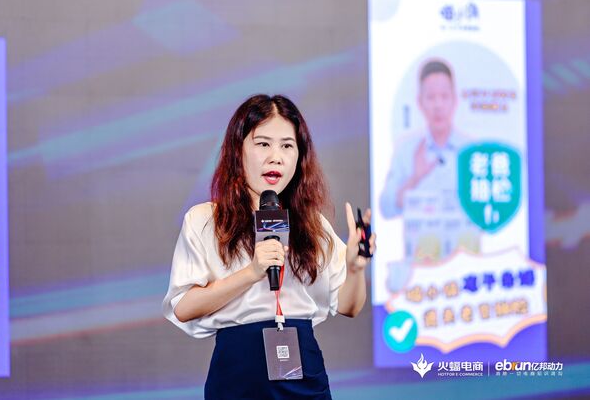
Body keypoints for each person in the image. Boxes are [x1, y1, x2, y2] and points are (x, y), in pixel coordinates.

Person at [162, 94, 376, 399]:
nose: (276, 157)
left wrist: (355, 269)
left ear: (300, 156)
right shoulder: (205, 220)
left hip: (302, 370)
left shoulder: (313, 224)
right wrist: (252, 272)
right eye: (263, 144)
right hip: (237, 370)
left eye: (287, 146)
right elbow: (183, 308)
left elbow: (349, 307)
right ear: (238, 150)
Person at [379, 58, 469, 220]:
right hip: (419, 236)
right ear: (420, 102)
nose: (438, 105)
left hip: (465, 237)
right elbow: (385, 207)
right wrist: (415, 178)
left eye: (444, 96)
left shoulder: (470, 150)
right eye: (431, 97)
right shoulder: (406, 150)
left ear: (455, 100)